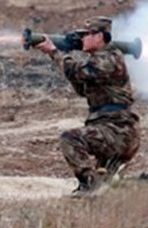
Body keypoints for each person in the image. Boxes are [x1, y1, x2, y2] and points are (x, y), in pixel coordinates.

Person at [34, 16, 140, 195]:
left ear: (99, 36)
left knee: (71, 139)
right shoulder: (98, 60)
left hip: (118, 130)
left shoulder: (110, 58)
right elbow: (82, 87)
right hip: (110, 128)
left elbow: (78, 72)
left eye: (86, 35)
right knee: (106, 191)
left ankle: (87, 184)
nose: (82, 39)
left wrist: (54, 52)